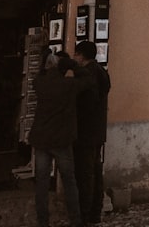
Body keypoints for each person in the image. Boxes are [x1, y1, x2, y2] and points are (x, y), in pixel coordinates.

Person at [29, 50, 92, 227]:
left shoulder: (39, 83)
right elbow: (88, 80)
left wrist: (46, 66)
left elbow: (39, 75)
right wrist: (74, 65)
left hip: (41, 139)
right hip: (61, 140)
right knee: (69, 181)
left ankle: (43, 221)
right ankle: (75, 220)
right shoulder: (68, 85)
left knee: (41, 183)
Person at [73, 41, 111, 226]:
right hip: (98, 131)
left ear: (81, 55)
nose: (74, 57)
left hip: (86, 132)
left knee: (86, 174)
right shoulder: (102, 72)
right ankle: (95, 212)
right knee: (96, 172)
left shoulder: (87, 76)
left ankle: (86, 215)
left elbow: (86, 106)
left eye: (76, 54)